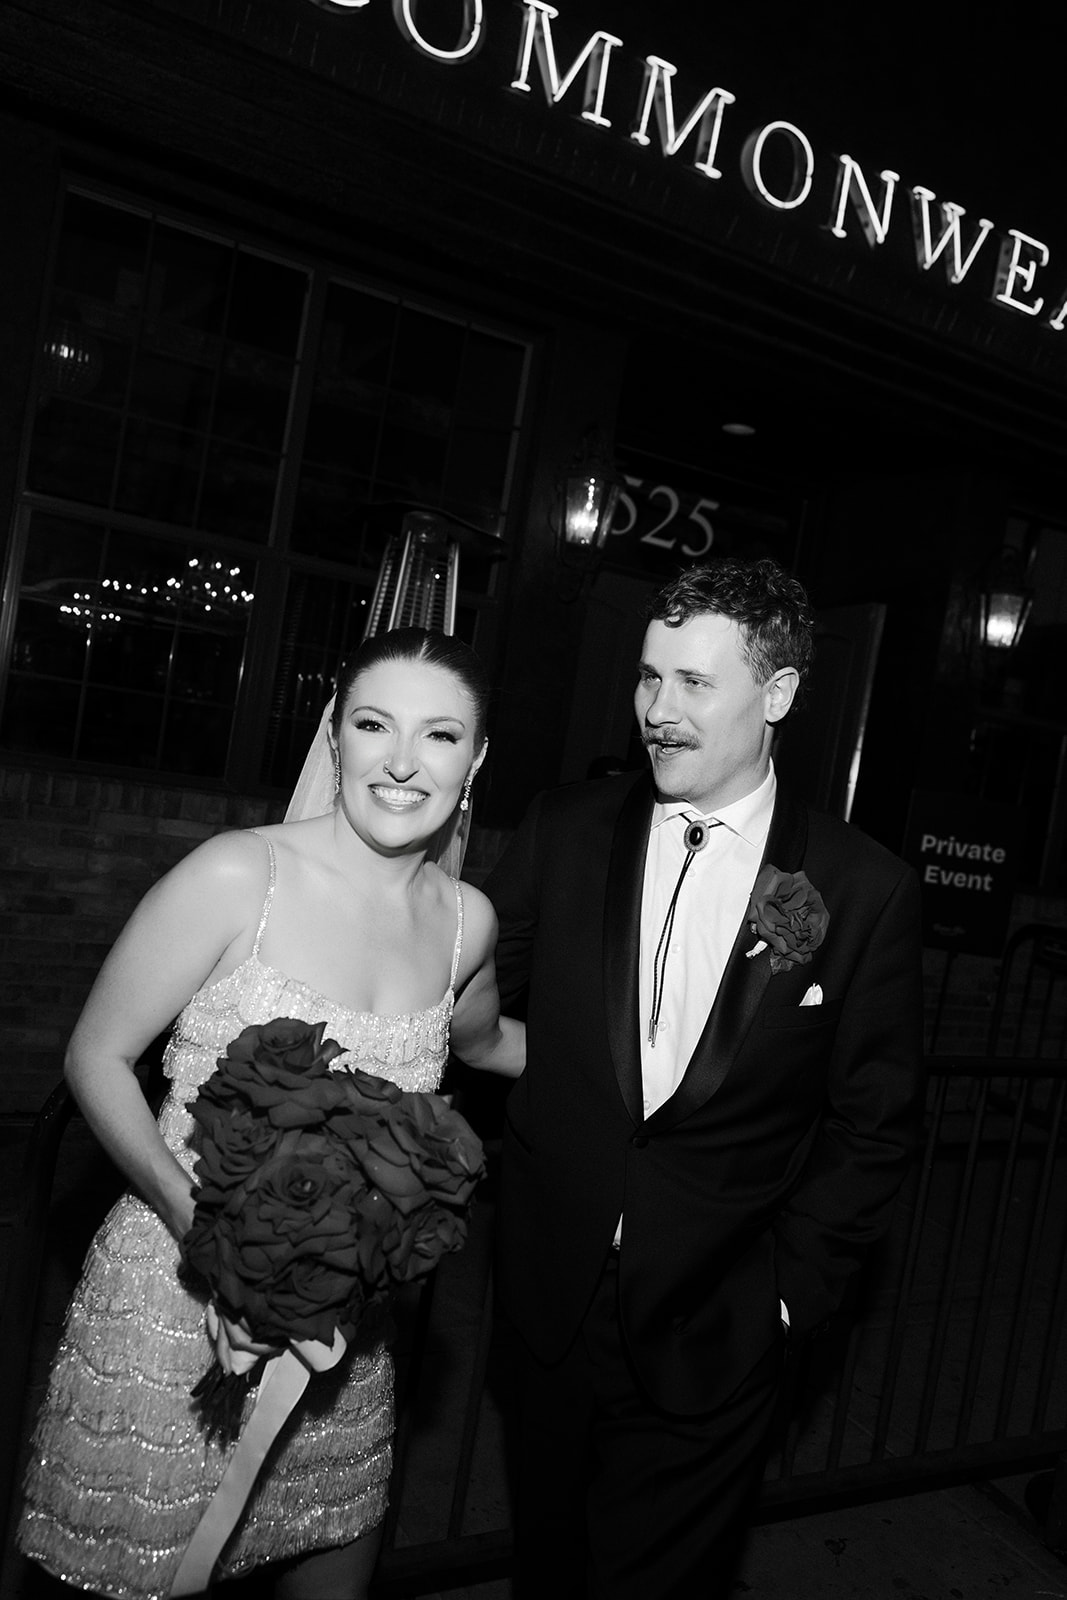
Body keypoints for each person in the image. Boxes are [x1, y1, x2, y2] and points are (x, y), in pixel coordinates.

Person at [17, 626, 523, 1600]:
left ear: (477, 758)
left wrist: (664, 1057)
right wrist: (199, 1220)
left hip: (343, 1329)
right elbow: (97, 1055)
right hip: (178, 1301)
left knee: (329, 1559)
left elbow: (489, 1041)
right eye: (374, 724)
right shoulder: (236, 875)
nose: (403, 761)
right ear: (334, 737)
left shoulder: (467, 922)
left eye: (441, 735)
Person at [478, 557, 924, 1599]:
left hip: (718, 1321)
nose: (656, 711)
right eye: (647, 677)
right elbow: (468, 1004)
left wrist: (785, 1297)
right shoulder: (566, 828)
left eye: (692, 683)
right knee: (547, 1571)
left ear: (776, 695)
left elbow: (875, 1124)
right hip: (549, 1307)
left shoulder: (861, 890)